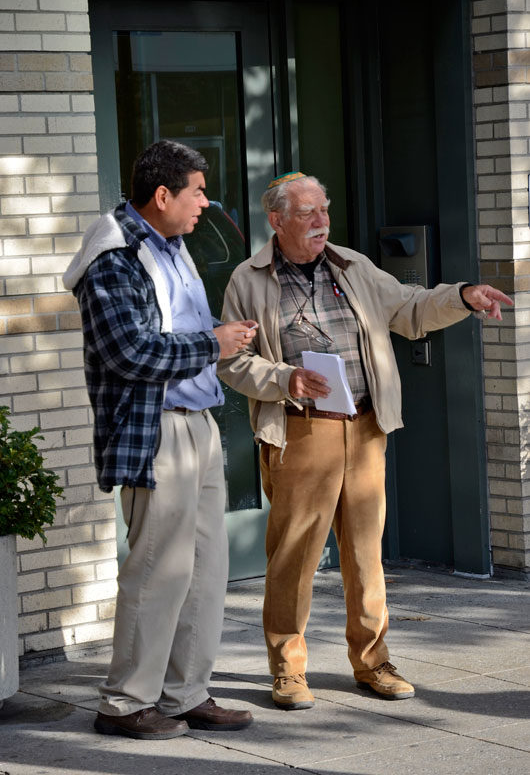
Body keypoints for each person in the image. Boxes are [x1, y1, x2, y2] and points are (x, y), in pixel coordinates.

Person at [217, 170, 513, 711]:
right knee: (294, 558)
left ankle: (373, 661)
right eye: (306, 213)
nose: (320, 221)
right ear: (277, 221)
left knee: (365, 554)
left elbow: (411, 308)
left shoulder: (352, 266)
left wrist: (465, 296)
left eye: (324, 211)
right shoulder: (249, 279)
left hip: (366, 424)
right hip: (302, 430)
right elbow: (233, 362)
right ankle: (287, 669)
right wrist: (285, 379)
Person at [63, 140, 257, 739]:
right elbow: (128, 351)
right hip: (157, 429)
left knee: (204, 568)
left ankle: (182, 694)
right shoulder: (114, 255)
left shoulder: (172, 247)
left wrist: (225, 342)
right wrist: (213, 345)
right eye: (197, 190)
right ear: (163, 195)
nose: (206, 201)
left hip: (196, 424)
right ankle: (124, 703)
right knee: (157, 570)